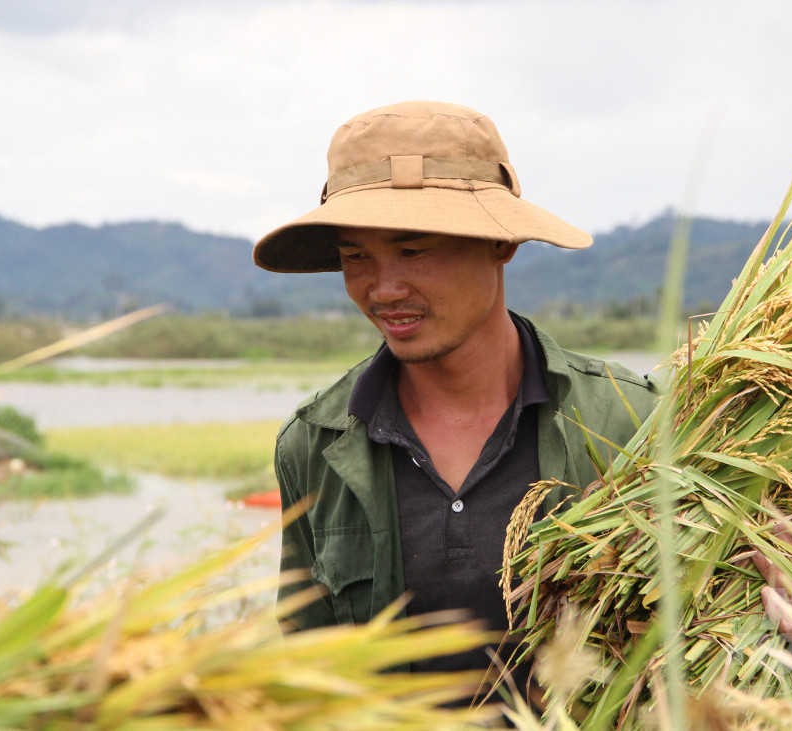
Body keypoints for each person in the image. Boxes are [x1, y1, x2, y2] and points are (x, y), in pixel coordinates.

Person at [251, 101, 656, 683]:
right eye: (355, 257)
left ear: (501, 244)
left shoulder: (631, 420)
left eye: (413, 250)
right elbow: (308, 672)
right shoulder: (314, 446)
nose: (384, 288)